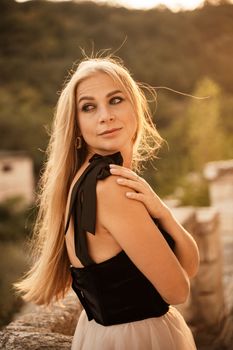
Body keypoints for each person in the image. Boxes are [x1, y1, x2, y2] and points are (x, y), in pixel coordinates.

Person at [15, 55, 199, 349]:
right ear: (76, 125)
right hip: (138, 338)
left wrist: (161, 212)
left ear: (135, 108)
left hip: (103, 336)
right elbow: (178, 290)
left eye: (115, 100)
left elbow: (187, 266)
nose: (105, 115)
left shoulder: (83, 180)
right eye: (89, 107)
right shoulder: (110, 187)